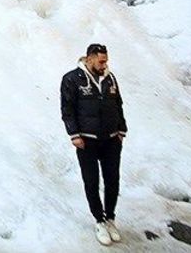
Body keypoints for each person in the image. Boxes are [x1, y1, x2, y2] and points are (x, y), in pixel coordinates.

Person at [60, 43, 127, 246]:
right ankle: (99, 220)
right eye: (101, 60)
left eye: (106, 60)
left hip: (111, 138)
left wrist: (122, 129)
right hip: (86, 140)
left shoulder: (110, 77)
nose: (104, 64)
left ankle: (110, 218)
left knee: (112, 179)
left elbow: (118, 104)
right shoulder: (72, 79)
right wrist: (74, 134)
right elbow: (67, 108)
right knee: (91, 181)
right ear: (89, 58)